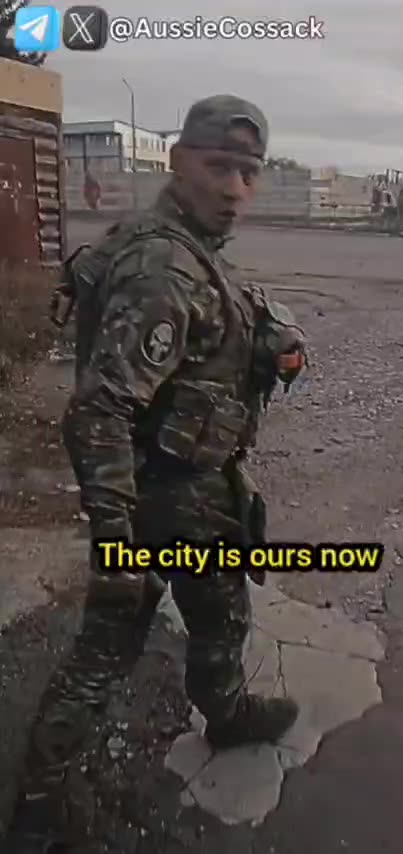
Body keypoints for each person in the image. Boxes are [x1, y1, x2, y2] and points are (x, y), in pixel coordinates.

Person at [9, 94, 307, 850]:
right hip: (161, 497)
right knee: (105, 652)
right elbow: (99, 411)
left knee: (220, 617)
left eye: (248, 172)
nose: (234, 188)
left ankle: (226, 712)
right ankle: (38, 810)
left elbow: (197, 335)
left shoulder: (179, 244)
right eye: (218, 167)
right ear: (178, 163)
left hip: (193, 491)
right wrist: (116, 543)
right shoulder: (162, 266)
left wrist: (265, 342)